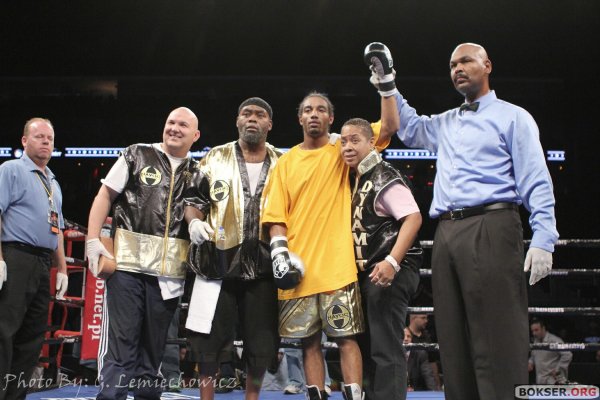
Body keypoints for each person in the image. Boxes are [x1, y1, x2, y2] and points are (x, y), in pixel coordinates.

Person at [372, 42, 559, 399]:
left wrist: (543, 238)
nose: (457, 68)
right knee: (452, 334)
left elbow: (536, 178)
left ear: (487, 66)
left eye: (466, 61)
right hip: (447, 231)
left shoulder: (513, 117)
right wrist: (388, 84)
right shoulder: (447, 121)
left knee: (498, 332)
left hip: (492, 225)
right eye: (452, 64)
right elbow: (410, 128)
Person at [261, 80, 398, 399]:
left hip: (338, 268)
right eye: (308, 109)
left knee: (347, 339)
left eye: (321, 109)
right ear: (299, 118)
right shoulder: (285, 163)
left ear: (330, 118)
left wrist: (386, 85)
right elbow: (275, 216)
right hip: (298, 270)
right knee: (308, 343)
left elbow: (390, 126)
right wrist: (280, 254)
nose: (314, 114)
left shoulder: (342, 149)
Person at [86, 107, 200, 400]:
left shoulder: (198, 172)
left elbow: (195, 212)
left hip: (168, 275)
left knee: (153, 350)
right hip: (127, 268)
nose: (174, 128)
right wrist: (92, 239)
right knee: (122, 344)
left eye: (183, 125)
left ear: (195, 135)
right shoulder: (136, 153)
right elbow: (105, 194)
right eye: (170, 122)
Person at [183, 98, 281, 400]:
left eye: (260, 115)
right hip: (216, 261)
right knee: (207, 340)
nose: (252, 118)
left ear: (269, 124)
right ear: (237, 120)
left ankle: (252, 398)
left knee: (261, 342)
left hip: (264, 265)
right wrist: (193, 222)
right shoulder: (215, 157)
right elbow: (193, 200)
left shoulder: (283, 162)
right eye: (246, 114)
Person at [340, 117, 422, 400]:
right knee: (369, 346)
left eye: (355, 140)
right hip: (369, 272)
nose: (347, 147)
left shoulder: (383, 175)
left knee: (385, 347)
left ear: (372, 142)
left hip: (390, 270)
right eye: (343, 141)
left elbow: (413, 217)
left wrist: (393, 262)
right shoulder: (356, 178)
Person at [0, 118, 69, 400]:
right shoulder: (11, 170)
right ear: (24, 140)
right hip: (15, 257)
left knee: (33, 335)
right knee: (5, 330)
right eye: (39, 136)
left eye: (49, 138)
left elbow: (58, 228)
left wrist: (62, 268)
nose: (45, 142)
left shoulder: (52, 181)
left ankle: (15, 396)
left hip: (42, 263)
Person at [529, 319, 572, 384]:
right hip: (541, 379)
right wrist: (530, 362)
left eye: (536, 330)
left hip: (553, 379)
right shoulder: (536, 341)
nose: (534, 333)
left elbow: (568, 354)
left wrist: (558, 369)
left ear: (543, 328)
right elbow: (534, 355)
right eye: (532, 331)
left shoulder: (554, 340)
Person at [407, 314, 441, 390]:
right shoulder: (403, 334)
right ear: (413, 318)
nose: (426, 321)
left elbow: (432, 361)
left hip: (421, 385)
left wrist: (437, 387)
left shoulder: (427, 336)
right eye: (423, 318)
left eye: (427, 318)